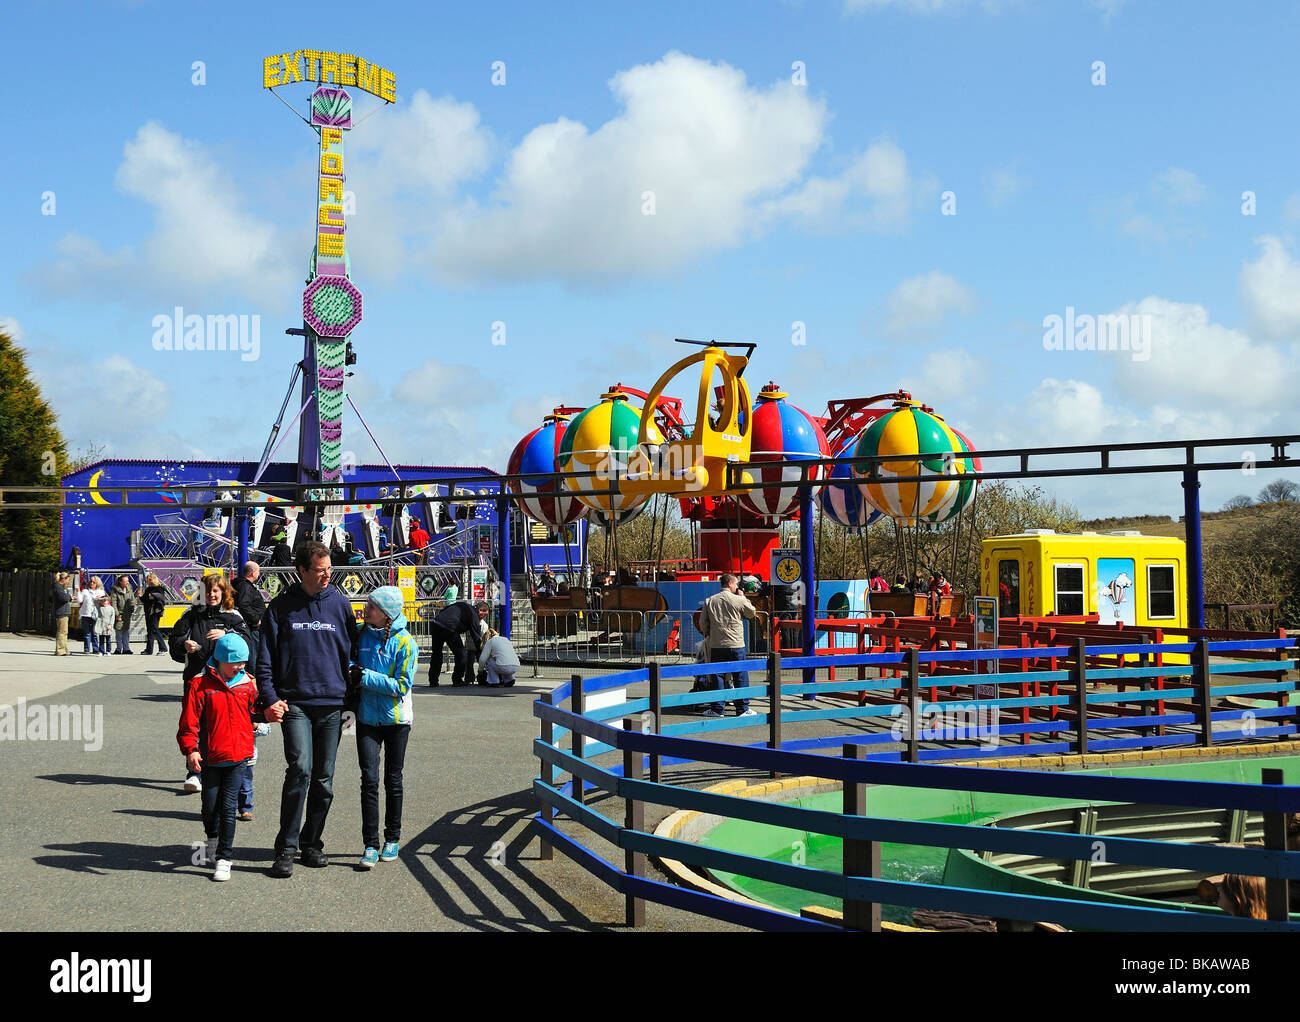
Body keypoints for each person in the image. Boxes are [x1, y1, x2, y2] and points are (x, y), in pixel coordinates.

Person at [256, 540, 359, 878]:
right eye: (320, 570)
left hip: (332, 705)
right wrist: (270, 697)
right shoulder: (281, 607)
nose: (327, 575)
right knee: (300, 769)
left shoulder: (341, 605)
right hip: (295, 702)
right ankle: (285, 849)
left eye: (329, 569)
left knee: (324, 780)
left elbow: (354, 654)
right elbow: (265, 657)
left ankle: (311, 844)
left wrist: (351, 702)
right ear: (301, 570)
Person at [177, 633, 258, 882]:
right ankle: (212, 837)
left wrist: (267, 715)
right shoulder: (199, 685)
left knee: (228, 805)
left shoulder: (247, 684)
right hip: (210, 757)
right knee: (209, 806)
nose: (241, 667)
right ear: (220, 660)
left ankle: (224, 858)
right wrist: (191, 749)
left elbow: (255, 712)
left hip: (239, 756)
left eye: (243, 663)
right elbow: (188, 723)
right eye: (236, 663)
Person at [352, 586, 418, 869]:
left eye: (372, 606)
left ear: (387, 613)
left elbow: (402, 686)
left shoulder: (406, 643)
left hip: (396, 721)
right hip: (367, 718)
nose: (366, 610)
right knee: (368, 780)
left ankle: (392, 838)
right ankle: (370, 844)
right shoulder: (361, 633)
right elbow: (350, 661)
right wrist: (353, 668)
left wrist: (363, 676)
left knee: (393, 780)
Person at [169, 575, 252, 793]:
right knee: (193, 725)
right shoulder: (191, 615)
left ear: (224, 592)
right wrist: (183, 645)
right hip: (196, 679)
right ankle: (194, 772)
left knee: (219, 727)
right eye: (207, 591)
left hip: (227, 684)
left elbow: (248, 642)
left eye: (216, 591)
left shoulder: (233, 616)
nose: (211, 595)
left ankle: (220, 771)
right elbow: (174, 642)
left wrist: (227, 634)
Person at [698, 574, 759, 718]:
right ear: (730, 583)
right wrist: (743, 597)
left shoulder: (710, 600)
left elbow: (703, 623)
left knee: (717, 676)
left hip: (716, 644)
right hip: (736, 643)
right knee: (740, 675)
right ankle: (742, 709)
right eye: (736, 583)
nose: (737, 586)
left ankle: (718, 709)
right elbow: (751, 613)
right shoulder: (738, 599)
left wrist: (709, 634)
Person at [426, 599, 490, 687]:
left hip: (436, 623)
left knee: (437, 654)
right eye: (484, 615)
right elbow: (476, 637)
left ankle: (433, 681)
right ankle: (457, 679)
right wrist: (482, 653)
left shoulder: (462, 605)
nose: (483, 618)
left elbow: (445, 609)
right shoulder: (474, 615)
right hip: (449, 628)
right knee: (461, 654)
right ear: (480, 611)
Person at [140, 573, 169, 655]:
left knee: (155, 629)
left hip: (154, 611)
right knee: (150, 630)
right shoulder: (150, 589)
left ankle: (163, 648)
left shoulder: (158, 588)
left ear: (150, 580)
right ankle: (149, 649)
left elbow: (160, 598)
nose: (146, 582)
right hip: (149, 611)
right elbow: (144, 599)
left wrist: (151, 596)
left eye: (147, 580)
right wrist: (140, 596)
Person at [110, 575, 139, 654]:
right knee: (119, 631)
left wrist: (132, 608)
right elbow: (113, 604)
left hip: (127, 613)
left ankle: (126, 648)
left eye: (127, 581)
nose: (127, 582)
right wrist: (117, 615)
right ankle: (119, 648)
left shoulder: (129, 589)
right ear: (120, 582)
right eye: (125, 581)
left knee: (126, 631)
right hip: (119, 613)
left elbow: (132, 599)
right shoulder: (115, 591)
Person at [78, 576, 105, 655]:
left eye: (93, 582)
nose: (91, 583)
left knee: (95, 632)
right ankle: (87, 649)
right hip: (86, 614)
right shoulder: (85, 591)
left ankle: (95, 649)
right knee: (87, 633)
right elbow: (80, 600)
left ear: (97, 583)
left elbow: (104, 602)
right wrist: (78, 592)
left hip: (96, 614)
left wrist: (101, 599)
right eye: (91, 581)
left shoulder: (101, 592)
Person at [50, 573, 71, 656]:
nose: (68, 581)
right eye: (68, 579)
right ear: (64, 579)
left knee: (64, 632)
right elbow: (64, 598)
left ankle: (64, 649)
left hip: (63, 612)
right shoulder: (58, 587)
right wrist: (69, 597)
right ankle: (60, 650)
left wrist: (68, 597)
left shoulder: (60, 587)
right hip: (61, 612)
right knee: (61, 632)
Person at [94, 593, 116, 658]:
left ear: (108, 601)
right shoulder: (99, 607)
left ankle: (108, 651)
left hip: (108, 625)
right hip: (101, 625)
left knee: (108, 640)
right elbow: (94, 601)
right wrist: (100, 598)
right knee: (101, 640)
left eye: (105, 600)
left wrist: (110, 625)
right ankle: (101, 651)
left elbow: (112, 618)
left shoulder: (111, 608)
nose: (104, 602)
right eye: (102, 601)